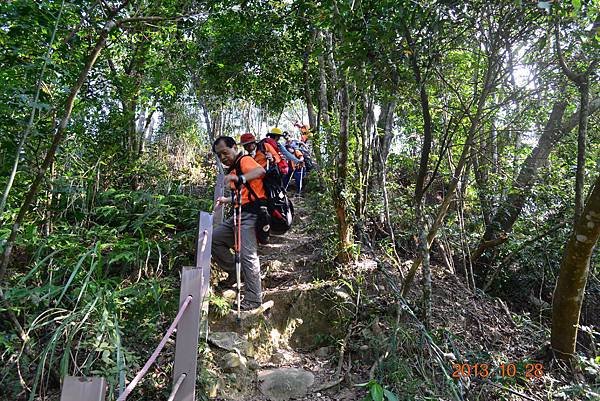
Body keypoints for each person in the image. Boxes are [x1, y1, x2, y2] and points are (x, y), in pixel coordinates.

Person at [212, 136, 266, 310]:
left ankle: (254, 299)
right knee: (214, 239)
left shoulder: (245, 160)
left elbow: (260, 172)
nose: (223, 157)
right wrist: (227, 199)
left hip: (251, 215)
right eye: (219, 155)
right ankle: (238, 274)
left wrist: (240, 179)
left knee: (248, 255)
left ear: (234, 147)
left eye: (225, 152)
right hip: (237, 213)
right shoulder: (234, 169)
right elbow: (243, 194)